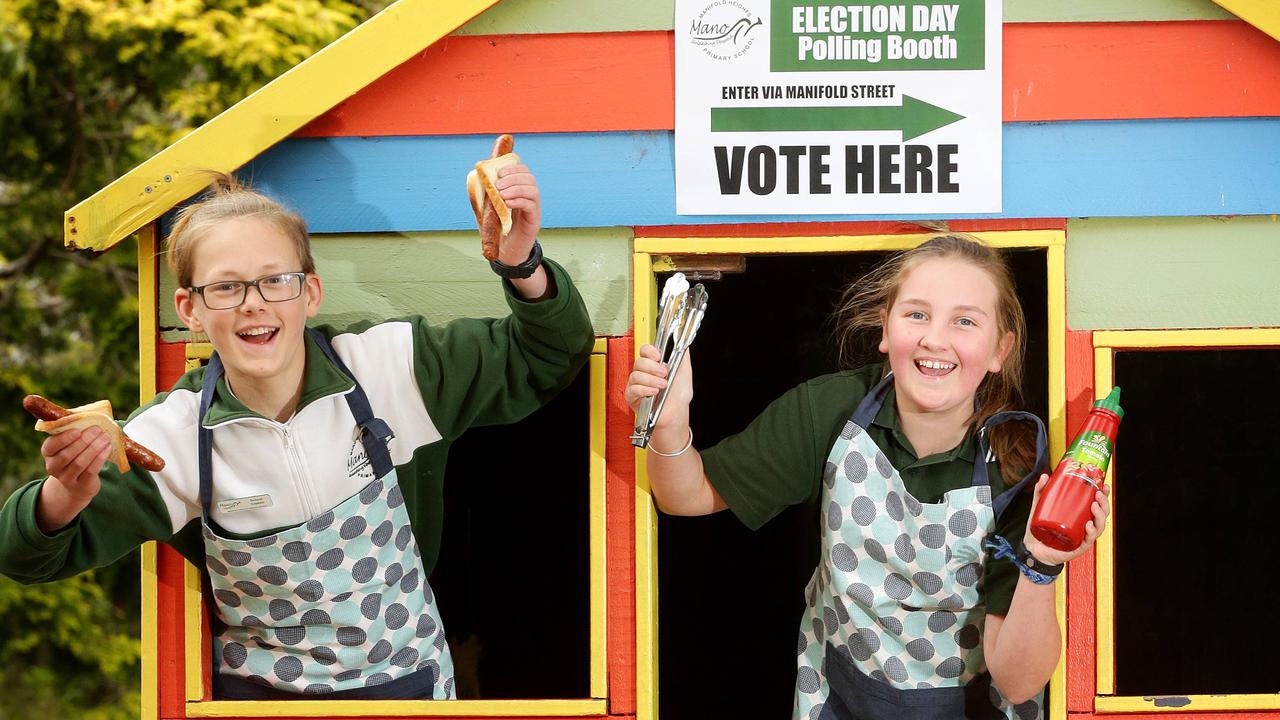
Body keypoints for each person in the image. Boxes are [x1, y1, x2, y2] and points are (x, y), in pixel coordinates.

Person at [0, 162, 594, 700]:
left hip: (408, 689)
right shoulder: (169, 439)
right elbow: (20, 556)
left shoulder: (393, 367)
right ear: (190, 310)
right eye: (226, 287)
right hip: (263, 707)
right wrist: (64, 496)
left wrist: (521, 261)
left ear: (309, 292)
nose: (254, 303)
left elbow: (550, 354)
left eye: (275, 280)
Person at [625, 235, 1109, 719]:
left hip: (967, 707)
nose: (934, 339)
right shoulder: (829, 409)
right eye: (916, 314)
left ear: (1000, 349)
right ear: (885, 327)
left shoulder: (1018, 470)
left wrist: (1041, 562)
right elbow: (684, 496)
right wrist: (671, 424)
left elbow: (1020, 681)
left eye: (964, 321)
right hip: (839, 695)